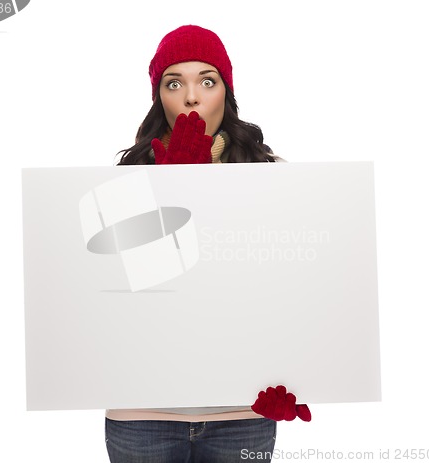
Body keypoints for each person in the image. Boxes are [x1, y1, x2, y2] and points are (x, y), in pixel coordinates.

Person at [107, 25, 311, 463]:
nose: (191, 96)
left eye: (207, 80)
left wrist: (296, 374)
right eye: (174, 82)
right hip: (142, 411)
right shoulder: (123, 178)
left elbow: (291, 290)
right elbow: (120, 296)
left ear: (226, 92)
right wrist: (176, 186)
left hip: (241, 410)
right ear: (159, 96)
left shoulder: (272, 173)